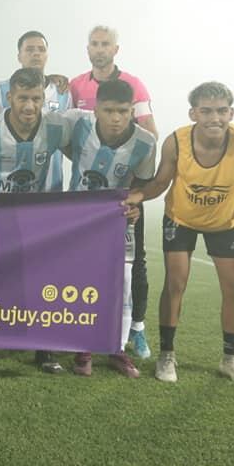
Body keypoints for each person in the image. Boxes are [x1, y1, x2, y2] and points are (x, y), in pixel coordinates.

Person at [125, 82, 234, 386]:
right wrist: (137, 195)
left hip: (225, 223)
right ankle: (167, 355)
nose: (215, 118)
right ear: (193, 113)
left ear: (231, 112)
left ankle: (230, 360)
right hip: (181, 219)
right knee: (175, 284)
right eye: (207, 111)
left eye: (222, 111)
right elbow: (161, 182)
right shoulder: (176, 142)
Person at [0, 68, 76, 372]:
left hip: (34, 218)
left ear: (44, 98)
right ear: (9, 96)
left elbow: (81, 155)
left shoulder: (56, 127)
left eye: (36, 98)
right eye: (22, 98)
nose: (29, 106)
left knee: (39, 280)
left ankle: (44, 349)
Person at [69, 25, 158, 360]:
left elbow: (149, 132)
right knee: (78, 265)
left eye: (106, 43)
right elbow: (69, 138)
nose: (100, 48)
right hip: (86, 196)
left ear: (116, 49)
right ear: (87, 47)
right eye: (94, 43)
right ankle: (79, 334)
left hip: (124, 194)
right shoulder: (76, 85)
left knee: (132, 267)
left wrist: (135, 195)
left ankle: (134, 330)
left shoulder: (133, 84)